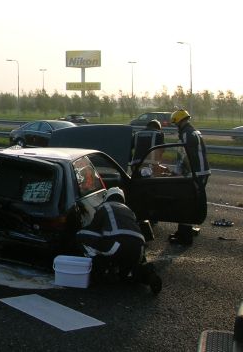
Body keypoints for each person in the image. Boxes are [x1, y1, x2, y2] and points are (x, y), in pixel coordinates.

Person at [76, 187, 162, 294]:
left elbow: (94, 229)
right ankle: (148, 275)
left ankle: (99, 267)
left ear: (107, 197)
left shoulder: (105, 207)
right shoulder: (129, 210)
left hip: (117, 246)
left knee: (81, 234)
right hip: (138, 249)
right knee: (129, 272)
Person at [168, 109, 210, 245]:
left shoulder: (186, 134)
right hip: (201, 172)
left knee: (186, 203)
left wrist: (176, 172)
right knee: (191, 202)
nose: (176, 127)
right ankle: (185, 231)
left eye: (176, 124)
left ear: (179, 122)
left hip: (195, 173)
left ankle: (185, 237)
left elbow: (183, 156)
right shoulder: (193, 131)